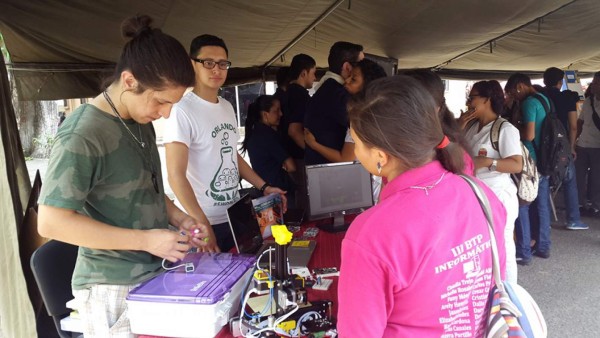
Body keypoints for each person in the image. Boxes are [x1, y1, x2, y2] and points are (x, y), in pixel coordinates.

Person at [36, 15, 209, 336]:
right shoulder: (83, 133)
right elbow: (50, 222)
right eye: (160, 101)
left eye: (173, 103)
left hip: (154, 273)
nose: (166, 113)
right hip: (111, 288)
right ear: (129, 81)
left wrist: (180, 218)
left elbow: (147, 189)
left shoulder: (138, 121)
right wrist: (147, 240)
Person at [337, 76, 507, 337]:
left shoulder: (371, 234)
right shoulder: (479, 192)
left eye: (357, 143)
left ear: (381, 156)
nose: (355, 151)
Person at [164, 34, 286, 253]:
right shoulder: (181, 110)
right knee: (211, 286)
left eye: (222, 64)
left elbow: (232, 157)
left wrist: (264, 186)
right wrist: (201, 222)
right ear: (193, 64)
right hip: (202, 222)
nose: (216, 70)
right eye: (208, 63)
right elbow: (175, 175)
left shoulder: (227, 107)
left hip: (234, 216)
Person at [462, 80, 522, 283]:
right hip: (476, 195)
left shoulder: (505, 129)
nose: (469, 102)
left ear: (487, 99)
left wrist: (488, 162)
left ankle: (508, 291)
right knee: (482, 246)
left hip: (498, 195)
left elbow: (516, 164)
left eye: (473, 97)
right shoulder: (470, 126)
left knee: (503, 245)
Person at [504, 73, 552, 265]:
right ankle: (544, 246)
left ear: (520, 86)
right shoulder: (544, 99)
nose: (514, 97)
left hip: (530, 161)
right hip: (546, 158)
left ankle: (523, 251)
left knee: (522, 203)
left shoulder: (528, 103)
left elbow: (529, 134)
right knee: (542, 205)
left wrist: (513, 128)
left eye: (513, 92)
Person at [304, 58, 386, 163]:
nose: (346, 81)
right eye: (349, 76)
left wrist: (313, 144)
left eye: (353, 80)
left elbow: (345, 159)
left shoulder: (359, 120)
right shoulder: (378, 115)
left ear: (367, 88)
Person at [304, 41, 364, 165]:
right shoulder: (338, 94)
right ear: (347, 67)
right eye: (362, 64)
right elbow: (364, 128)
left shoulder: (329, 88)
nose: (365, 68)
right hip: (332, 172)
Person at [543, 67, 588, 229]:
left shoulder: (540, 97)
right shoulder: (567, 98)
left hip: (544, 145)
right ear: (560, 82)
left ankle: (544, 221)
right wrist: (572, 147)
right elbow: (573, 126)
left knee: (544, 182)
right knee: (569, 181)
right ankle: (573, 219)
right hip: (562, 145)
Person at [241, 95, 295, 204]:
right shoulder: (268, 136)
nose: (281, 114)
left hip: (262, 189)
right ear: (265, 114)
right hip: (278, 192)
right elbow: (291, 167)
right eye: (276, 111)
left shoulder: (255, 132)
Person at [575, 71, 600, 218]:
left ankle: (595, 206)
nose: (594, 85)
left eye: (597, 83)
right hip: (583, 144)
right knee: (579, 176)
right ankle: (580, 204)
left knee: (597, 177)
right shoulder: (589, 101)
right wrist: (574, 142)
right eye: (594, 82)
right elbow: (580, 122)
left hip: (598, 146)